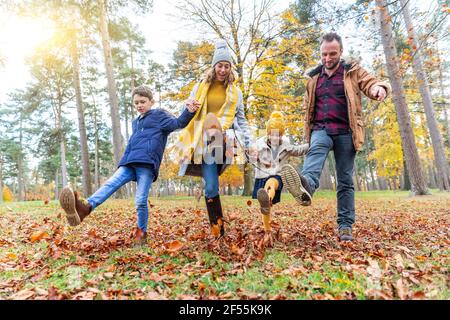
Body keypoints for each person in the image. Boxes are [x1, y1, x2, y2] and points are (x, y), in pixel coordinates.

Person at [280, 32, 391, 241]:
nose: (328, 58)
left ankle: (345, 225)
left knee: (345, 180)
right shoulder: (313, 77)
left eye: (332, 54)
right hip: (321, 129)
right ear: (320, 53)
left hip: (346, 132)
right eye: (324, 54)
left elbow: (370, 82)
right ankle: (307, 187)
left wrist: (378, 88)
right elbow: (308, 107)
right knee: (314, 152)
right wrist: (308, 131)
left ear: (340, 52)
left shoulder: (352, 71)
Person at [59, 85, 199, 244]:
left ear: (151, 101)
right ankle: (85, 208)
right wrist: (123, 161)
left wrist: (189, 111)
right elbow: (132, 143)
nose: (139, 105)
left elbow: (178, 123)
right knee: (110, 184)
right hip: (129, 162)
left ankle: (141, 234)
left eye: (143, 102)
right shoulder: (135, 122)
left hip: (146, 164)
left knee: (140, 201)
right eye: (136, 103)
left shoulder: (159, 115)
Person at [176, 39, 253, 240]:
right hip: (202, 142)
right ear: (214, 66)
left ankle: (216, 131)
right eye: (220, 65)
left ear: (230, 68)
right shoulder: (200, 86)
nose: (223, 69)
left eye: (227, 66)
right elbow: (188, 111)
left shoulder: (236, 92)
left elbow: (242, 120)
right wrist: (187, 106)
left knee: (216, 133)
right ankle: (218, 230)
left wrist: (249, 143)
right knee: (211, 186)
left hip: (221, 139)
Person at [252, 111, 309, 236]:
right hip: (262, 176)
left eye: (278, 135)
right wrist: (255, 157)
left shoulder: (286, 146)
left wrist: (314, 144)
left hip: (277, 176)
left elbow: (299, 150)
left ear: (281, 135)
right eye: (272, 134)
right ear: (268, 133)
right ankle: (267, 229)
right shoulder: (258, 144)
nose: (275, 138)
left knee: (271, 182)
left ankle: (267, 198)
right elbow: (250, 157)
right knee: (266, 208)